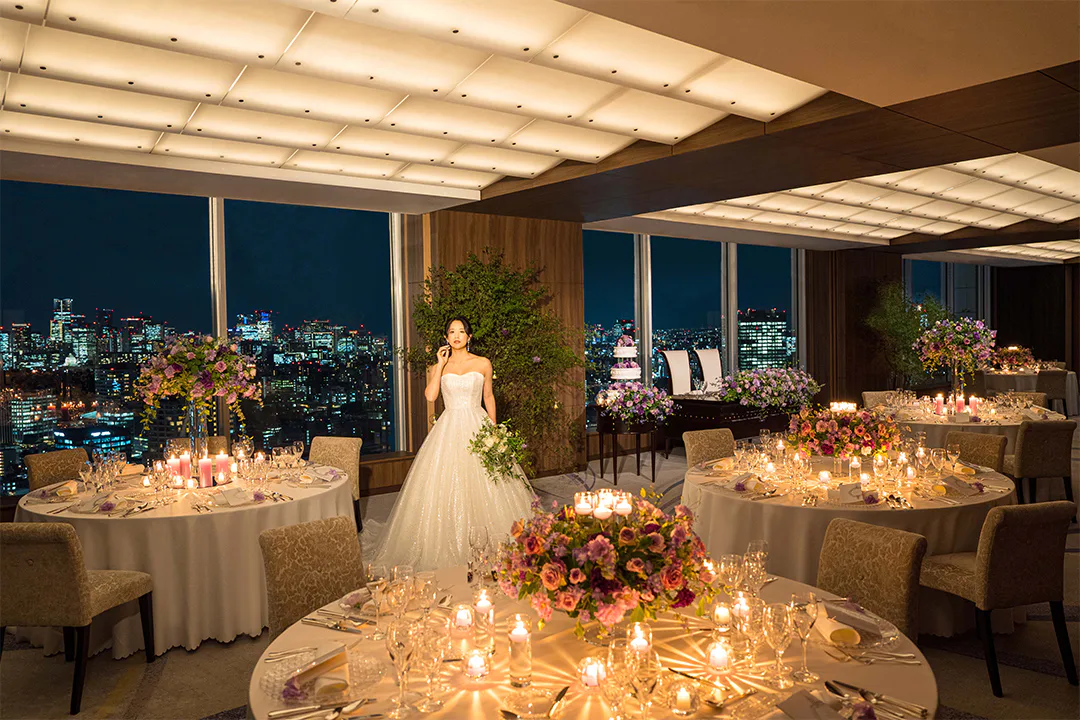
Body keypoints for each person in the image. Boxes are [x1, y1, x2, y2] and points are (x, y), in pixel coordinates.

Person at [366, 317, 535, 570]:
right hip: (448, 427)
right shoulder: (439, 366)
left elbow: (488, 396)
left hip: (478, 425)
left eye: (461, 331)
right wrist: (439, 363)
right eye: (451, 332)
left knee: (488, 483)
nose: (456, 335)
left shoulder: (482, 363)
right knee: (445, 483)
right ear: (446, 337)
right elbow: (431, 396)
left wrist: (495, 430)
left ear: (469, 336)